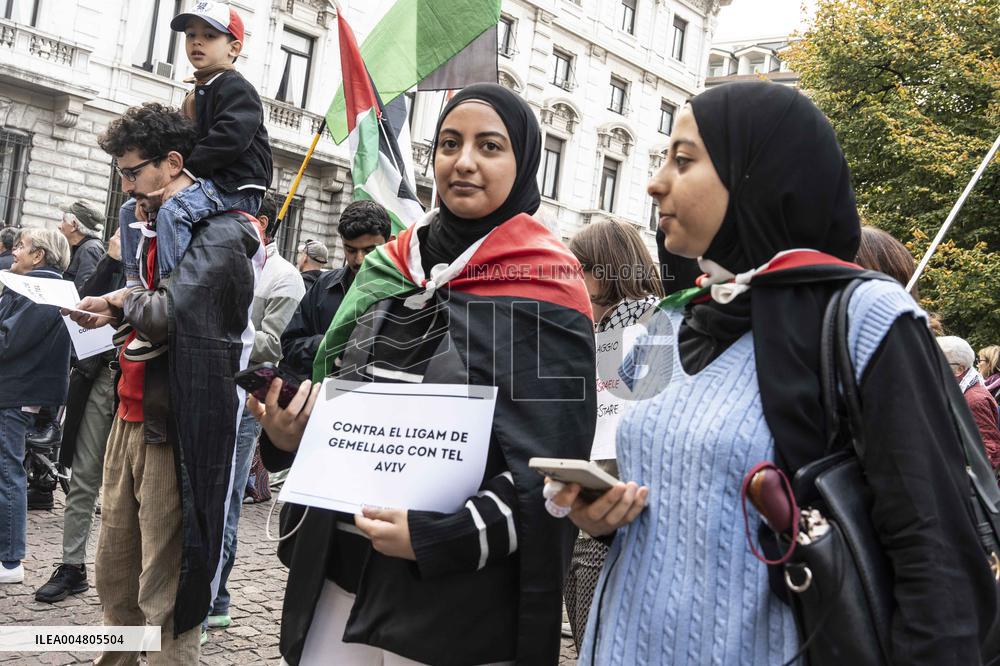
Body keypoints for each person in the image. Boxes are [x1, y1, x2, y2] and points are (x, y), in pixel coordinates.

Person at [549, 82, 997, 665]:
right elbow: (669, 491)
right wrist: (602, 515)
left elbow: (934, 555)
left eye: (683, 161)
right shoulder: (671, 319)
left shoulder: (864, 317)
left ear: (756, 173)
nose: (655, 182)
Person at [253, 83, 596, 665]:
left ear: (524, 163)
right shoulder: (388, 267)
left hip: (456, 602)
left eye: (490, 146)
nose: (463, 162)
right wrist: (290, 435)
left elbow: (554, 468)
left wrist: (444, 538)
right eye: (449, 144)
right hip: (342, 574)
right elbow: (342, 407)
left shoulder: (546, 284)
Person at [66, 101, 263, 664]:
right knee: (117, 576)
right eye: (122, 175)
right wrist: (114, 305)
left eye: (133, 173)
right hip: (132, 417)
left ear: (173, 163)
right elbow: (151, 307)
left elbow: (166, 314)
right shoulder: (153, 224)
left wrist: (122, 299)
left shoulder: (222, 233)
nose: (127, 188)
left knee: (168, 587)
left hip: (173, 428)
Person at [203, 193, 304, 638]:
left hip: (246, 399)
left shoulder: (285, 278)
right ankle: (211, 595)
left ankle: (212, 601)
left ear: (260, 222)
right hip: (209, 389)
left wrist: (221, 329)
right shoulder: (226, 262)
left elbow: (274, 344)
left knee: (226, 497)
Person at [118, 0, 270, 289]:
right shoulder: (197, 91)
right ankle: (133, 284)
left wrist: (186, 176)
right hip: (207, 182)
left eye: (210, 36)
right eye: (191, 35)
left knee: (175, 211)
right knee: (129, 209)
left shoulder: (236, 87)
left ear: (234, 48)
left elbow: (229, 137)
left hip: (237, 186)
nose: (197, 42)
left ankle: (171, 291)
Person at [563, 219, 663, 648]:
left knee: (598, 639)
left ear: (605, 272)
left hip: (617, 509)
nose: (570, 282)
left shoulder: (651, 329)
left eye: (576, 271)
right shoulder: (595, 332)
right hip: (585, 501)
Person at [34, 229, 125, 603]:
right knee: (83, 477)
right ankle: (73, 566)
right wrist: (112, 259)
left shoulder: (170, 250)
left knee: (132, 487)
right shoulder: (115, 257)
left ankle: (126, 577)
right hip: (100, 378)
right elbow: (80, 304)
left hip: (145, 387)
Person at [0, 228, 72, 584]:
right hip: (17, 391)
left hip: (14, 392)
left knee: (7, 470)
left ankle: (10, 560)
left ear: (39, 255)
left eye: (21, 246)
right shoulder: (38, 287)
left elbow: (9, 341)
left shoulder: (41, 289)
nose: (15, 252)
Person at [280, 200, 392, 381]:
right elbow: (289, 345)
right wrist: (327, 344)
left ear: (390, 242)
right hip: (320, 394)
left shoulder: (406, 294)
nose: (359, 259)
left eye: (369, 250)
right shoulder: (323, 286)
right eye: (351, 250)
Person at [938, 336, 1000, 467]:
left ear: (960, 369)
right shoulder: (964, 393)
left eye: (940, 363)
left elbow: (991, 452)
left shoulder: (973, 399)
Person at [58, 200, 106, 292]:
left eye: (63, 221)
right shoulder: (84, 247)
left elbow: (85, 291)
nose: (59, 226)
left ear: (74, 225)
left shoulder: (90, 249)